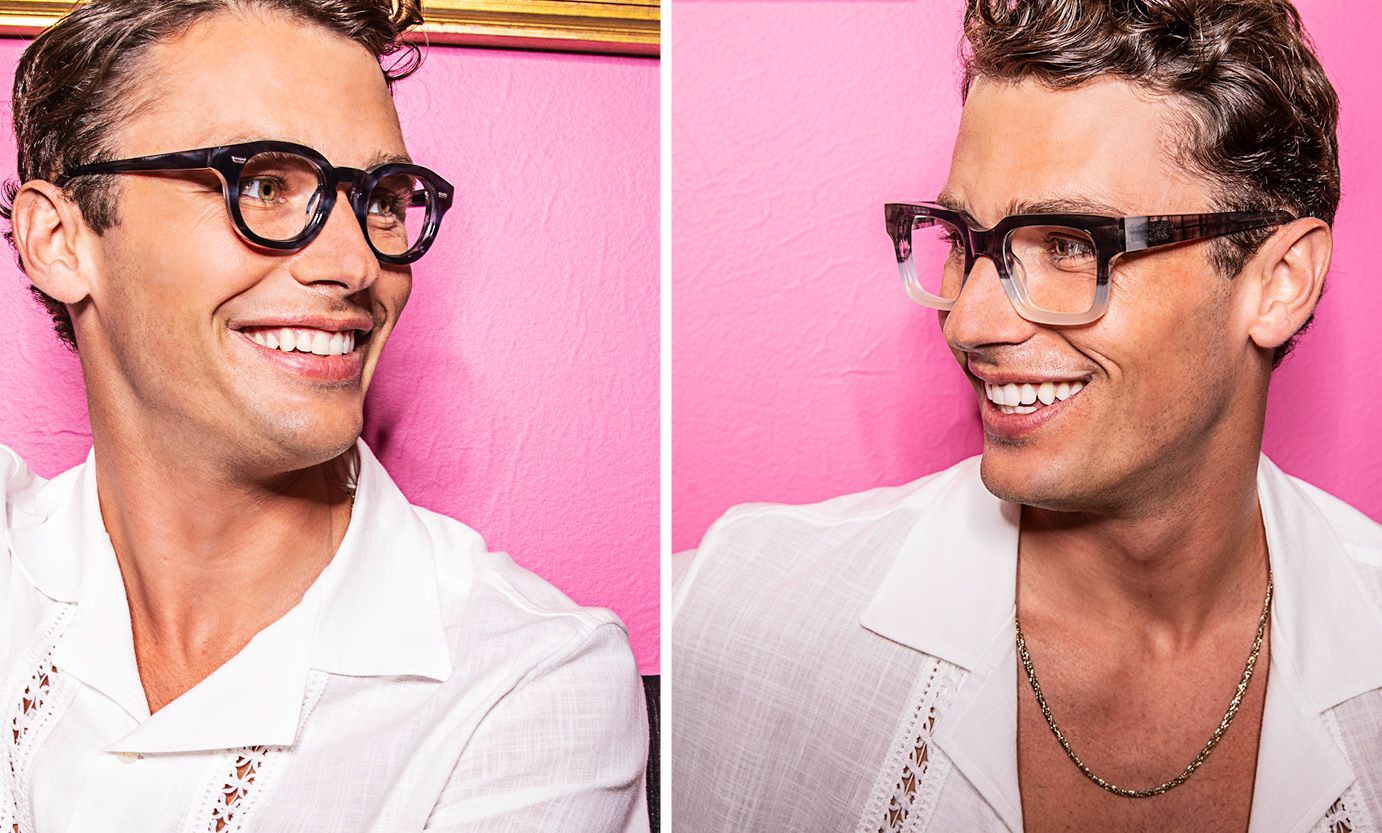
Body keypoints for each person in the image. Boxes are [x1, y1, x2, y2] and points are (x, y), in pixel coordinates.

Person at [672, 1, 1382, 831]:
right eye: (963, 240)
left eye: (1072, 244)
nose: (970, 323)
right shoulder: (734, 611)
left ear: (1280, 281)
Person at [0, 1, 648, 830]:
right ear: (58, 239)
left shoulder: (525, 678)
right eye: (264, 184)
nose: (355, 263)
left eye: (381, 199)